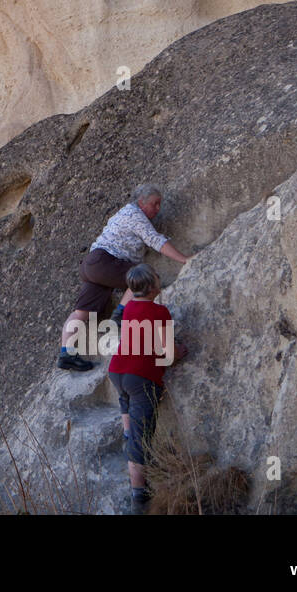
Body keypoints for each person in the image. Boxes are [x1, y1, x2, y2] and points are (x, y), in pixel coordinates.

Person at [57, 183, 192, 371]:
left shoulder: (125, 214)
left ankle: (67, 353)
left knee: (81, 312)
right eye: (155, 204)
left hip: (93, 265)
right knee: (142, 275)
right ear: (141, 202)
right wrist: (185, 260)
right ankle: (120, 315)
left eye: (159, 204)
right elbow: (155, 240)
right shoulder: (134, 214)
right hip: (105, 261)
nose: (158, 209)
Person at [107, 263, 186, 511]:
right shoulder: (159, 311)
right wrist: (180, 351)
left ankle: (127, 434)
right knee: (142, 441)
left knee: (127, 404)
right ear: (152, 286)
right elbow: (169, 354)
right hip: (140, 376)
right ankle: (140, 493)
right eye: (157, 277)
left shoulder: (129, 306)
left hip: (117, 370)